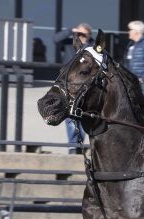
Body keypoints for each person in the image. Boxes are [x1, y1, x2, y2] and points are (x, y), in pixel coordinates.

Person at [54, 23, 93, 154]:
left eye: (83, 34)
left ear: (88, 35)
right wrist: (70, 30)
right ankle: (72, 146)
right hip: (69, 84)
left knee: (81, 117)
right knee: (70, 116)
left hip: (85, 87)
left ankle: (78, 145)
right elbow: (55, 39)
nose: (80, 36)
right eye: (78, 34)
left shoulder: (92, 47)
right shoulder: (69, 42)